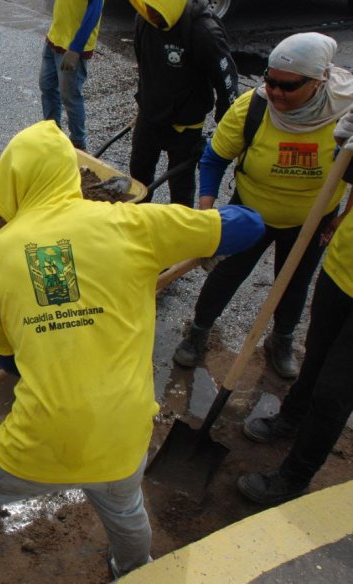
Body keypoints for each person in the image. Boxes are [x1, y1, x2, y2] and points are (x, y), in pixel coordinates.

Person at [0, 120, 265, 581]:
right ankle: (133, 570)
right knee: (124, 501)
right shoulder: (134, 224)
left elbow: (6, 360)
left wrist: (54, 336)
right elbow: (249, 226)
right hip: (127, 428)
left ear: (13, 182)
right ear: (70, 176)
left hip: (45, 436)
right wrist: (206, 238)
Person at [173, 32, 353, 379]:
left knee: (294, 282)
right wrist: (208, 214)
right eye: (270, 81)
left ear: (318, 82)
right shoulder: (253, 108)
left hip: (311, 219)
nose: (275, 92)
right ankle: (198, 331)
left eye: (288, 86)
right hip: (250, 213)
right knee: (226, 274)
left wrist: (342, 217)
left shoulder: (344, 114)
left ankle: (280, 340)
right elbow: (213, 159)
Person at [237, 107, 353, 505]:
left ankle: (295, 474)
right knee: (316, 358)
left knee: (336, 389)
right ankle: (290, 419)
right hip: (343, 268)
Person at [128, 0, 239, 207]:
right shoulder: (144, 19)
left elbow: (228, 87)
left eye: (155, 10)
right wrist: (141, 103)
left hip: (186, 124)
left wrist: (222, 134)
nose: (150, 14)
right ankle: (138, 220)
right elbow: (144, 67)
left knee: (180, 186)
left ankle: (179, 227)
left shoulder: (204, 32)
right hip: (149, 116)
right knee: (138, 176)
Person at [39, 0, 104, 151]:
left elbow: (95, 10)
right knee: (47, 88)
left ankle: (78, 144)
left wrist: (76, 48)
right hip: (55, 37)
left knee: (70, 97)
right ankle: (52, 135)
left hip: (73, 47)